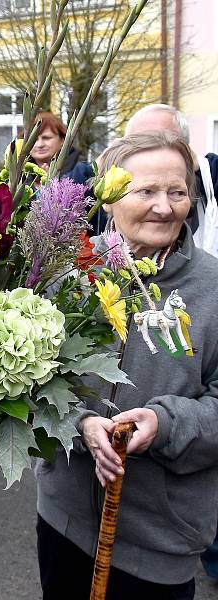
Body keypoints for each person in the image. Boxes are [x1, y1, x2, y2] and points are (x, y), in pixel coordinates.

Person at [36, 132, 218, 600]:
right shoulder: (68, 271)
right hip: (66, 522)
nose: (164, 207)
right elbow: (30, 379)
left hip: (161, 540)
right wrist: (82, 423)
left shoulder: (213, 288)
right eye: (146, 192)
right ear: (109, 196)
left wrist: (166, 423)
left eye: (177, 192)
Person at [69, 104, 218, 237]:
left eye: (177, 193)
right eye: (139, 142)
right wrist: (101, 165)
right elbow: (58, 211)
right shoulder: (108, 182)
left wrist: (202, 165)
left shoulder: (205, 176)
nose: (164, 209)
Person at [30, 111, 81, 175]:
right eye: (34, 139)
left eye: (46, 138)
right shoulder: (17, 174)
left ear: (63, 140)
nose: (40, 144)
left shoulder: (80, 172)